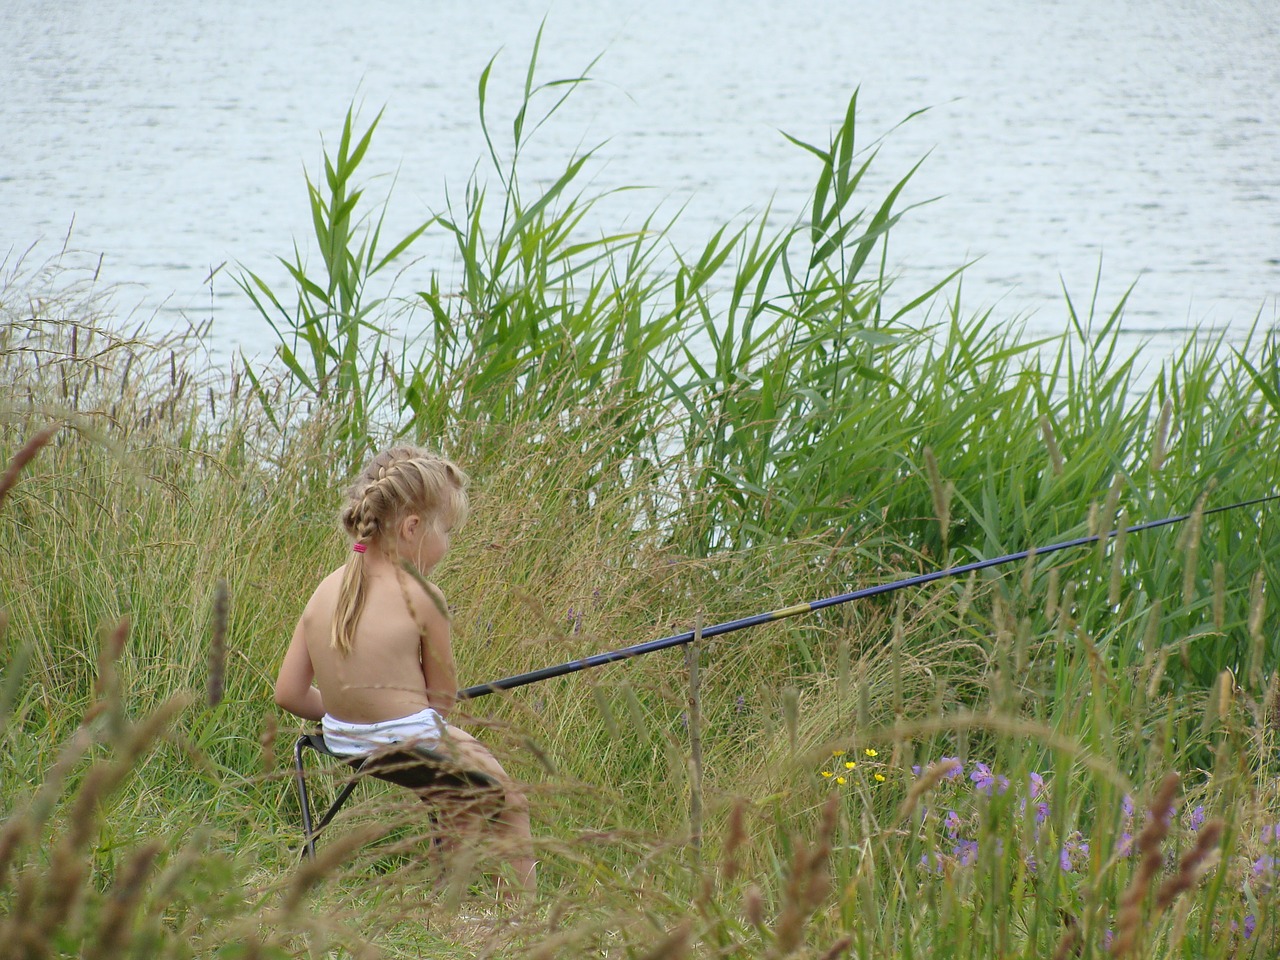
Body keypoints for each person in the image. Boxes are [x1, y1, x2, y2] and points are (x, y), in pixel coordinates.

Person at [274, 445, 535, 897]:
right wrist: (398, 710)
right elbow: (442, 703)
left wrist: (350, 712)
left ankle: (452, 901)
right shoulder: (424, 595)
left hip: (345, 742)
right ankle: (524, 918)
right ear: (413, 527)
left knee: (457, 793)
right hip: (411, 742)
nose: (448, 544)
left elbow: (289, 694)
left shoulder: (324, 590)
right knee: (509, 801)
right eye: (447, 531)